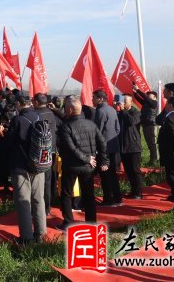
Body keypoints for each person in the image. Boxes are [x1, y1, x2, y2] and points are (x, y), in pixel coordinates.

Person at [57, 96, 109, 229]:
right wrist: (102, 160)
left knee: (67, 194)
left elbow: (71, 148)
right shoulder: (91, 124)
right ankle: (91, 222)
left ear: (69, 109)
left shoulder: (66, 127)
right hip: (88, 166)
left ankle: (68, 222)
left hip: (72, 165)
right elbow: (102, 143)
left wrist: (88, 158)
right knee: (89, 195)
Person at [5, 93, 46, 243]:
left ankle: (26, 237)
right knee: (38, 199)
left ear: (19, 103)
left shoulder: (18, 120)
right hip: (39, 164)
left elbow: (9, 143)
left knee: (23, 200)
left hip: (21, 165)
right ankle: (41, 233)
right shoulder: (39, 116)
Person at [92, 90, 122, 206]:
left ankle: (108, 199)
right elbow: (117, 129)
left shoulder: (100, 111)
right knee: (113, 174)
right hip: (113, 146)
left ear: (100, 99)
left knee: (105, 175)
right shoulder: (112, 109)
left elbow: (97, 131)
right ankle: (118, 197)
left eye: (93, 98)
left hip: (104, 148)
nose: (92, 100)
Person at [32, 93, 59, 216]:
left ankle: (42, 207)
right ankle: (48, 206)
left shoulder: (37, 115)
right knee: (48, 179)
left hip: (41, 151)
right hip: (51, 150)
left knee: (40, 180)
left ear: (36, 102)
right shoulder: (51, 113)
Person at [118, 93, 144, 199]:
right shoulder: (120, 113)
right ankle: (133, 191)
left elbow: (131, 122)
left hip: (133, 146)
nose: (123, 103)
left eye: (125, 101)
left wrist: (123, 110)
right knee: (128, 171)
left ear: (131, 102)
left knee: (135, 170)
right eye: (122, 100)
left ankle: (138, 193)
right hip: (123, 146)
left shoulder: (135, 112)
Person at [133, 86, 159, 166]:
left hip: (151, 125)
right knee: (149, 144)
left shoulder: (154, 103)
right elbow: (138, 98)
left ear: (154, 97)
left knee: (153, 144)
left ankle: (155, 160)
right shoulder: (146, 103)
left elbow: (146, 98)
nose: (147, 96)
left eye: (149, 95)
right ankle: (152, 159)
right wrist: (134, 92)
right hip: (145, 125)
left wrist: (138, 89)